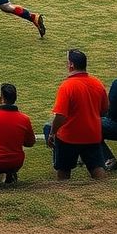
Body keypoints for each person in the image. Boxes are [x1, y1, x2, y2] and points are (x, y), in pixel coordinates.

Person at [44, 49, 109, 181]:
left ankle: (64, 193)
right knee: (97, 167)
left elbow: (60, 116)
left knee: (63, 169)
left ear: (71, 65)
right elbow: (104, 110)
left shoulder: (67, 86)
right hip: (92, 134)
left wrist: (52, 133)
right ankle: (104, 190)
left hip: (69, 137)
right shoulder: (97, 83)